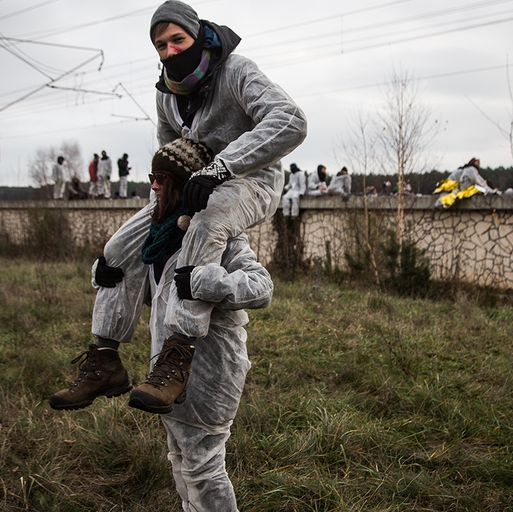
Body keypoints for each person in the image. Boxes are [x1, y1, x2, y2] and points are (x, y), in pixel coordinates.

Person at [54, 0, 306, 416]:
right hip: (190, 184)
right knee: (119, 249)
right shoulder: (166, 95)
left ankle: (178, 352)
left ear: (197, 36)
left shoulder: (236, 72)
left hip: (249, 180)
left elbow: (290, 120)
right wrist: (168, 195)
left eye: (178, 40)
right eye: (160, 46)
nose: (170, 52)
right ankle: (105, 358)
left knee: (205, 227)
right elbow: (168, 148)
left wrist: (223, 165)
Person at [52, 139, 272, 511]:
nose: (153, 187)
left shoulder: (223, 235)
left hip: (211, 369)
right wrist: (105, 273)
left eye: (163, 180)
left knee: (203, 464)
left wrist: (209, 281)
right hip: (165, 370)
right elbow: (155, 295)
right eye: (153, 177)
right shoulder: (156, 239)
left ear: (184, 187)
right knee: (180, 458)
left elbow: (262, 286)